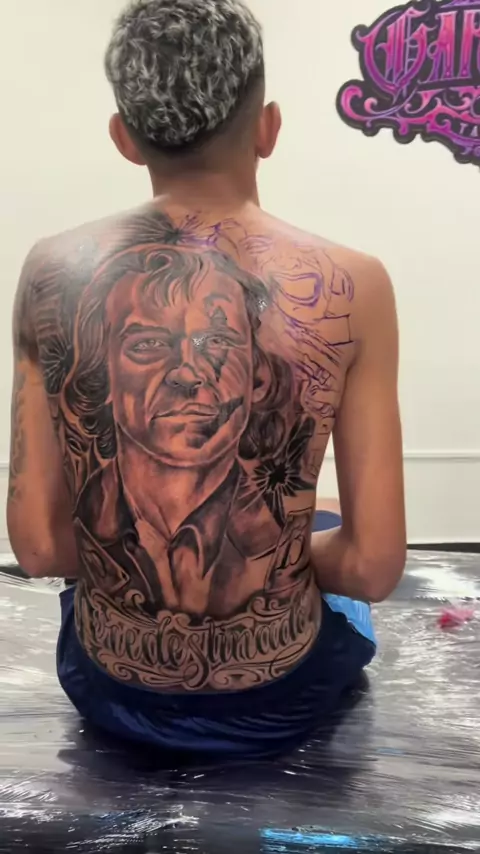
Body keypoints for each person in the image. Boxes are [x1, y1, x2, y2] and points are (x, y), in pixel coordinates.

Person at [7, 0, 406, 757]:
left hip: (109, 691)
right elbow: (374, 567)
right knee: (323, 525)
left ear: (124, 138)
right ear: (269, 128)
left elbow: (39, 549)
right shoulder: (357, 283)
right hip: (281, 699)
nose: (189, 376)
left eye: (216, 342)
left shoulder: (50, 270)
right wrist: (281, 560)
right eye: (148, 345)